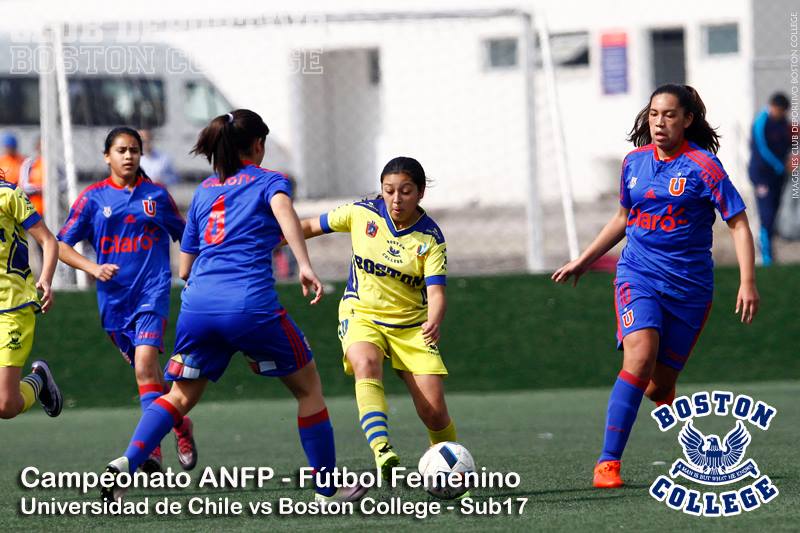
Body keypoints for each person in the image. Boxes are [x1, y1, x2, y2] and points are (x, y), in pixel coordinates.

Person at [101, 109, 366, 505]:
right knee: (308, 388)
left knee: (178, 396)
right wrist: (305, 266)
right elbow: (284, 213)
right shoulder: (270, 181)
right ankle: (327, 490)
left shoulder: (206, 191)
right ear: (257, 146)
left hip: (198, 306)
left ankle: (128, 461)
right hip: (249, 305)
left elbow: (185, 266)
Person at [552, 84, 759, 488]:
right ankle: (608, 463)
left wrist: (747, 281)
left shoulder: (705, 167)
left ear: (687, 120)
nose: (659, 122)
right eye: (653, 114)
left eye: (668, 115)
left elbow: (738, 223)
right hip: (638, 275)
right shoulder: (633, 162)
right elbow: (622, 219)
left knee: (658, 385)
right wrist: (585, 259)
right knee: (639, 356)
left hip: (690, 289)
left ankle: (662, 390)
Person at [297, 156, 456, 479]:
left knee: (434, 413)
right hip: (362, 313)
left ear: (421, 193)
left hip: (412, 326)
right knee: (365, 362)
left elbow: (436, 292)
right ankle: (382, 449)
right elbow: (310, 225)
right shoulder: (362, 213)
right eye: (389, 190)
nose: (396, 199)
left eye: (406, 191)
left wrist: (434, 319)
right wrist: (261, 243)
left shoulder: (430, 239)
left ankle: (451, 472)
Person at [57, 127, 197, 473]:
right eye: (121, 150)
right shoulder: (92, 199)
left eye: (134, 150)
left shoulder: (156, 196)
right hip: (114, 304)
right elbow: (59, 244)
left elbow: (186, 237)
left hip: (152, 293)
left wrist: (193, 270)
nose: (129, 156)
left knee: (144, 364)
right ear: (107, 156)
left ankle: (151, 452)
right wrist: (92, 266)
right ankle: (180, 424)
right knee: (148, 374)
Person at [0, 168, 62, 421]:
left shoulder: (8, 194)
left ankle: (39, 379)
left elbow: (48, 241)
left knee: (6, 405)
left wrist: (45, 279)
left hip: (12, 308)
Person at [748, 92, 791, 266]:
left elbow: (789, 143)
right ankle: (766, 257)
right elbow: (763, 149)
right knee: (766, 214)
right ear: (773, 106)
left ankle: (769, 252)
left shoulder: (784, 123)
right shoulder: (761, 122)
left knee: (773, 214)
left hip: (778, 176)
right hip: (762, 176)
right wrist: (780, 165)